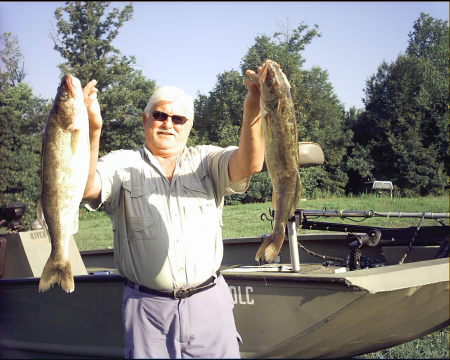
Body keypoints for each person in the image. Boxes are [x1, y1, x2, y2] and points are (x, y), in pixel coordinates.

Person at [82, 67, 264, 359]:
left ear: (189, 126)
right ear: (145, 119)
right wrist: (92, 130)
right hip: (147, 309)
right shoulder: (121, 163)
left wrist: (252, 107)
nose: (168, 124)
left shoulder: (207, 160)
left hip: (209, 303)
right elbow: (87, 188)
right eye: (159, 115)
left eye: (178, 119)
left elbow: (250, 162)